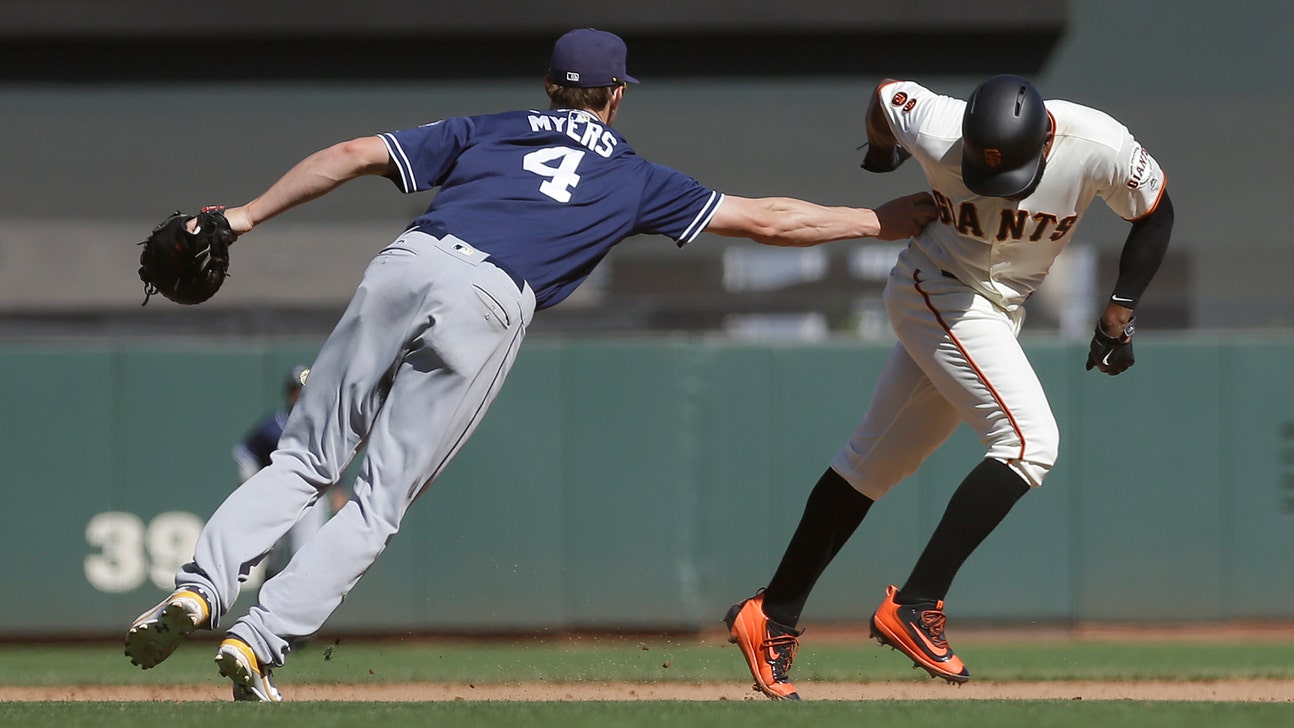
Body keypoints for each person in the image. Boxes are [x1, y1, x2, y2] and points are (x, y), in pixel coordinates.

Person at [122, 28, 936, 702]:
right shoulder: (634, 175)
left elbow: (352, 151)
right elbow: (766, 220)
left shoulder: (490, 127)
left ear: (550, 87)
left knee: (302, 457)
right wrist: (874, 218)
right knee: (376, 502)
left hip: (410, 258)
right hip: (489, 297)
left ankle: (199, 588)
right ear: (617, 97)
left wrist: (244, 215)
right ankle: (259, 640)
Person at [724, 74, 1173, 700]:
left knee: (869, 467)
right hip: (939, 287)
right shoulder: (937, 122)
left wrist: (1119, 312)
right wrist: (880, 152)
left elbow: (1155, 211)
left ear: (1045, 141)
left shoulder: (1097, 142)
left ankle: (771, 613)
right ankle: (918, 602)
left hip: (995, 306)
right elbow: (885, 96)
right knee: (1028, 443)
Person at [232, 364, 346, 581]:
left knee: (307, 553)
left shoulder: (323, 425)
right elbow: (246, 455)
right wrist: (252, 485)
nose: (301, 395)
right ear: (290, 393)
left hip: (312, 496)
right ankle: (267, 601)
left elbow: (337, 458)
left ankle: (300, 608)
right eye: (297, 390)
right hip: (277, 496)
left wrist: (339, 488)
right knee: (275, 555)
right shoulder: (273, 425)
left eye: (306, 389)